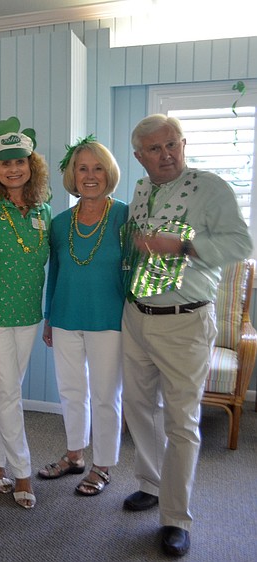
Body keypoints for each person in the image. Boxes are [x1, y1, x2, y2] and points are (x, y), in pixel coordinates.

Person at [120, 114, 252, 556]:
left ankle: (176, 517)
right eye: (155, 149)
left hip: (185, 320)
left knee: (181, 421)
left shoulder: (211, 188)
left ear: (183, 144)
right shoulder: (141, 190)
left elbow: (242, 244)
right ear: (139, 156)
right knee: (139, 407)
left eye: (172, 144)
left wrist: (183, 246)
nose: (167, 155)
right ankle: (151, 483)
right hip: (136, 315)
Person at [38, 138, 128, 496]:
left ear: (109, 173)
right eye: (82, 168)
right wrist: (49, 317)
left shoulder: (124, 216)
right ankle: (74, 454)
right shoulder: (60, 223)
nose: (90, 176)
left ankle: (102, 465)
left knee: (106, 395)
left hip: (110, 319)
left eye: (98, 168)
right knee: (71, 391)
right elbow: (55, 273)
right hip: (65, 317)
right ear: (73, 176)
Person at [0, 117, 51, 509]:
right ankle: (22, 472)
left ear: (31, 166)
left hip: (28, 313)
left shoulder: (44, 211)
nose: (14, 168)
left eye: (20, 161)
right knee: (7, 392)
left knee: (7, 392)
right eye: (6, 163)